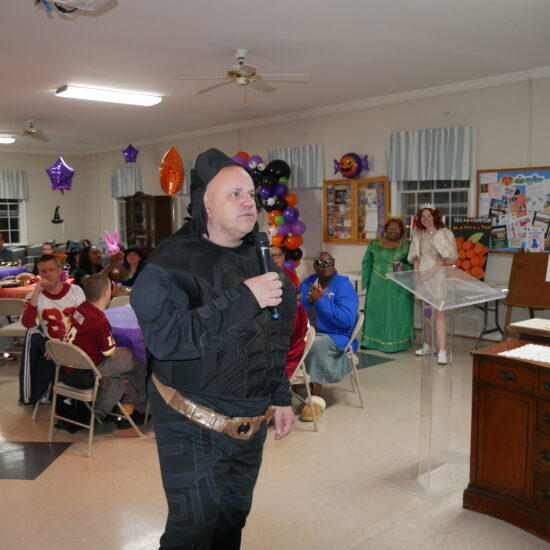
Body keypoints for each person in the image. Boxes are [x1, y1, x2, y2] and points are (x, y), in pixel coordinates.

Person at [131, 148, 296, 550]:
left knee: (231, 522)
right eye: (234, 194)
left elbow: (274, 333)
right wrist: (244, 298)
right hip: (191, 421)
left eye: (250, 195)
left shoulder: (259, 256)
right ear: (205, 204)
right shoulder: (170, 263)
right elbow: (168, 340)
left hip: (250, 424)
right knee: (192, 533)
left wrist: (281, 395)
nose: (248, 202)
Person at [63, 273, 147, 425]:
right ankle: (139, 407)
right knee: (134, 359)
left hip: (68, 367)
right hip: (87, 370)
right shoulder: (98, 319)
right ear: (106, 293)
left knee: (123, 372)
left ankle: (129, 405)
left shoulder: (81, 308)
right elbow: (108, 352)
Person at [297, 252, 359, 420]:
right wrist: (307, 302)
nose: (326, 265)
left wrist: (320, 301)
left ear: (334, 264)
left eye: (329, 261)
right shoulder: (308, 283)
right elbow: (298, 309)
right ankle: (292, 385)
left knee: (316, 344)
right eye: (321, 262)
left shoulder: (344, 287)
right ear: (315, 266)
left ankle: (316, 397)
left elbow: (345, 321)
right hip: (310, 330)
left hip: (336, 336)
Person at [19, 254, 85, 405]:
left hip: (74, 342)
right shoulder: (32, 296)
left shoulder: (75, 291)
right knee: (32, 333)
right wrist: (36, 292)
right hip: (50, 344)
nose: (47, 274)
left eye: (51, 270)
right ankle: (34, 392)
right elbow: (28, 323)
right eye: (43, 271)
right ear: (38, 274)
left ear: (60, 270)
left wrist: (62, 344)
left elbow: (83, 323)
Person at [408, 204, 458, 364]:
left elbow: (445, 258)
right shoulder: (418, 234)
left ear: (435, 216)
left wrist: (429, 273)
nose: (426, 219)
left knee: (439, 311)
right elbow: (415, 255)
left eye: (429, 215)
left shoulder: (444, 233)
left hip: (437, 275)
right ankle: (428, 344)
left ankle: (442, 350)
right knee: (426, 313)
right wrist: (417, 273)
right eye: (423, 216)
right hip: (422, 275)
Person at [361, 218, 415, 352]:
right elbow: (366, 262)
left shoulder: (408, 245)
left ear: (402, 231)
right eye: (390, 228)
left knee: (397, 313)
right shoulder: (374, 243)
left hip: (399, 285)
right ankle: (370, 342)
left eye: (397, 228)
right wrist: (366, 282)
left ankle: (398, 343)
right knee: (375, 312)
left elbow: (414, 265)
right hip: (377, 283)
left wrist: (404, 267)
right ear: (386, 230)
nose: (393, 231)